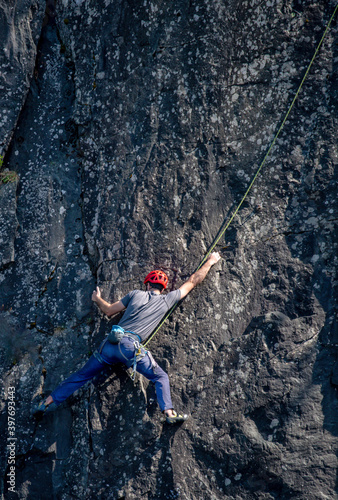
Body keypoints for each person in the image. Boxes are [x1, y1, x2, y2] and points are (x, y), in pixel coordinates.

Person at [33, 252, 221, 424]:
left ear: (147, 284)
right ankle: (169, 414)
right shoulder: (167, 300)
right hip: (129, 347)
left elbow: (108, 310)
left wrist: (97, 299)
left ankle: (47, 402)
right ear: (162, 288)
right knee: (160, 377)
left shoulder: (135, 294)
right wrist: (211, 261)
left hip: (109, 344)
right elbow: (193, 281)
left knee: (81, 376)